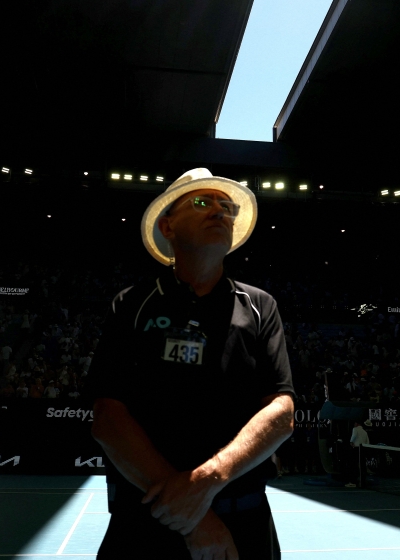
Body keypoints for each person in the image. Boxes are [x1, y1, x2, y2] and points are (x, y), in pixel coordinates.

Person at [89, 168, 295, 560]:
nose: (220, 211)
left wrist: (204, 483)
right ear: (168, 226)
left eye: (227, 206)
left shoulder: (260, 306)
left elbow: (281, 411)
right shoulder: (131, 304)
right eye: (202, 202)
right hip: (144, 526)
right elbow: (108, 417)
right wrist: (194, 518)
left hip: (244, 524)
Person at [348, 420, 370, 487]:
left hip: (356, 449)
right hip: (363, 450)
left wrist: (351, 442)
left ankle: (353, 481)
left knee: (354, 465)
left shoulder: (355, 429)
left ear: (357, 423)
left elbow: (354, 436)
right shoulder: (365, 432)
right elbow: (367, 442)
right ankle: (363, 481)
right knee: (362, 465)